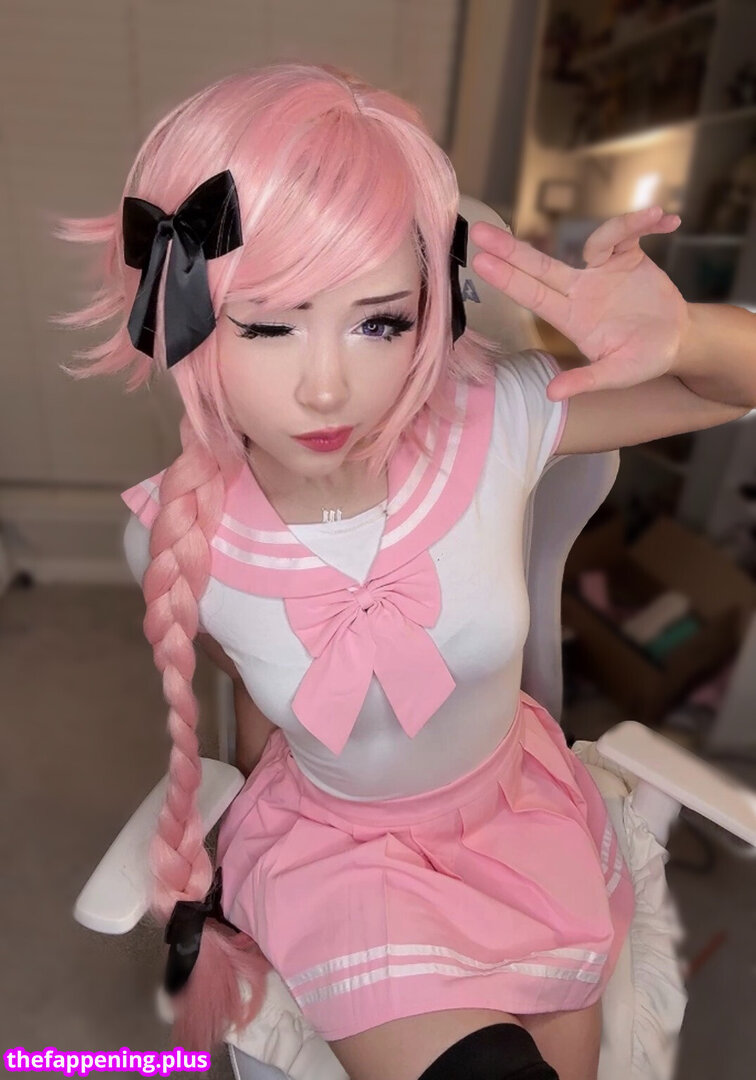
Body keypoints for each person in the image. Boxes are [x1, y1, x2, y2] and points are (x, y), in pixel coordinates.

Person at [54, 61, 755, 1080]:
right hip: (342, 860)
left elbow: (730, 393)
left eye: (378, 321)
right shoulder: (174, 534)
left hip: (516, 824)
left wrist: (684, 333)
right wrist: (241, 866)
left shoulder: (494, 419)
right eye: (270, 323)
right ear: (185, 314)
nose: (327, 385)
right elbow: (259, 698)